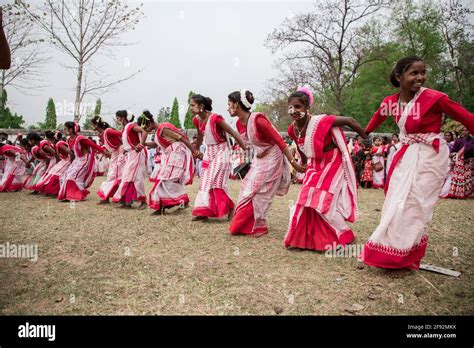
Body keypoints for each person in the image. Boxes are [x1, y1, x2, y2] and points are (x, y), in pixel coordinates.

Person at [361, 55, 474, 270]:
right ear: (399, 76)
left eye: (423, 73)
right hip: (405, 154)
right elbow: (369, 126)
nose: (420, 77)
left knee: (416, 203)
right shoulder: (390, 102)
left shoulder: (434, 98)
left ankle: (406, 254)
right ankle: (391, 251)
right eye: (414, 73)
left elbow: (466, 118)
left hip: (430, 155)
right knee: (397, 201)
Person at [284, 87, 368, 251]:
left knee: (322, 200)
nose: (293, 111)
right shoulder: (291, 129)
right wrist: (301, 164)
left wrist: (367, 138)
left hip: (332, 162)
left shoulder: (319, 121)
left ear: (307, 108)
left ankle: (345, 235)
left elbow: (350, 120)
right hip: (314, 164)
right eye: (290, 107)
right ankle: (303, 240)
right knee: (304, 199)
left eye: (298, 107)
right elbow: (302, 148)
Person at [228, 89, 304, 237]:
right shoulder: (239, 123)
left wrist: (293, 163)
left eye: (229, 104)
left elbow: (279, 141)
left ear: (237, 105)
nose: (227, 107)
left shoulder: (258, 120)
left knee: (261, 190)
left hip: (273, 157)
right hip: (258, 158)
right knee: (247, 188)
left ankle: (259, 224)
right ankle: (248, 223)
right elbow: (249, 144)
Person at [190, 94, 247, 221]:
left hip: (222, 152)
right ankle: (203, 211)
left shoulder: (216, 118)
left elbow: (233, 132)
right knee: (204, 182)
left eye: (192, 105)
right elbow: (200, 135)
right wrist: (197, 149)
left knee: (216, 182)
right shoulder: (196, 120)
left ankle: (231, 207)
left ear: (201, 106)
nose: (190, 108)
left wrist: (244, 148)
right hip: (209, 153)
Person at [138, 111, 197, 214]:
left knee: (166, 180)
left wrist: (194, 151)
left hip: (176, 155)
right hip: (170, 156)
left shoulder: (163, 128)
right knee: (164, 181)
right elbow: (156, 144)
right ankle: (166, 204)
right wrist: (144, 144)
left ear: (150, 123)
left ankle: (178, 202)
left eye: (145, 128)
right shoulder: (157, 131)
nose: (145, 131)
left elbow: (181, 138)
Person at [58, 122, 108, 202]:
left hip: (84, 160)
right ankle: (69, 195)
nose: (64, 130)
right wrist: (71, 163)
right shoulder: (68, 139)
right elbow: (72, 153)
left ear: (71, 129)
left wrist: (105, 151)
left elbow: (93, 145)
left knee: (72, 177)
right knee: (66, 175)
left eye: (66, 129)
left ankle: (75, 195)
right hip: (77, 160)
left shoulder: (80, 138)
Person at [112, 110, 149, 209]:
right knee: (127, 177)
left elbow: (144, 131)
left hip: (136, 154)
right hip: (130, 155)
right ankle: (127, 201)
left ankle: (143, 201)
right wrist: (125, 150)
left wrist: (141, 145)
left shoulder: (131, 125)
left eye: (118, 117)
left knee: (137, 178)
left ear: (123, 117)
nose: (117, 120)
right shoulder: (124, 128)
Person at [91, 116, 125, 204]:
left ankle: (120, 197)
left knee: (118, 175)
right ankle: (108, 197)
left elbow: (122, 134)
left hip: (121, 153)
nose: (92, 126)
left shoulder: (108, 131)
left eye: (92, 124)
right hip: (114, 155)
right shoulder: (101, 134)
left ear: (96, 125)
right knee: (112, 175)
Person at [39, 132, 71, 197]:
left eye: (48, 139)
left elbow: (70, 153)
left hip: (67, 160)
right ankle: (53, 191)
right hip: (64, 160)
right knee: (53, 172)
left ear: (53, 139)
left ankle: (55, 191)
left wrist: (71, 161)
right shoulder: (56, 144)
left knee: (56, 173)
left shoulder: (59, 144)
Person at [448, 127, 473, 198]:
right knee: (459, 178)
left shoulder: (472, 140)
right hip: (459, 162)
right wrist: (453, 155)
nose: (465, 132)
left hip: (469, 161)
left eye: (466, 130)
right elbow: (453, 150)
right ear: (462, 131)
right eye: (463, 130)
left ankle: (467, 193)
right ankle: (457, 193)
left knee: (468, 177)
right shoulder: (459, 140)